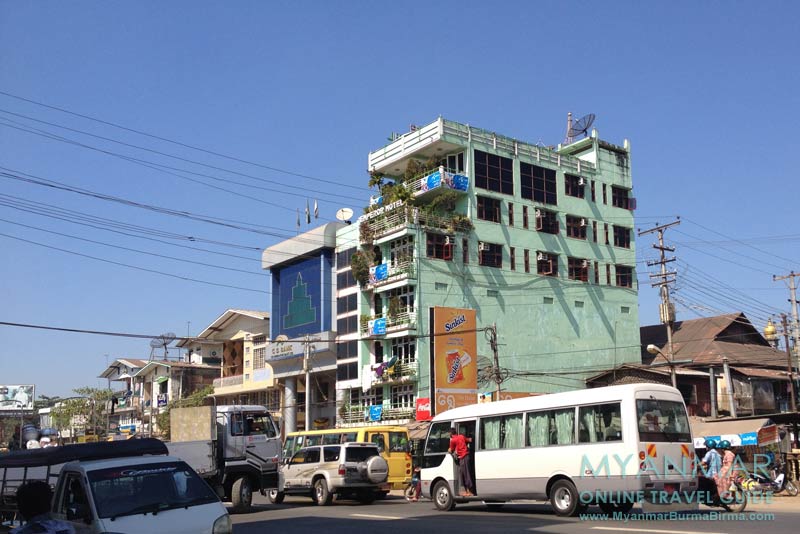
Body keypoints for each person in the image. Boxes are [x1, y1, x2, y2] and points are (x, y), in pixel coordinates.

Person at [448, 427, 474, 497]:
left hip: (463, 457)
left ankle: (469, 491)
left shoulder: (453, 440)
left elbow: (451, 450)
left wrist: (449, 450)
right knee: (463, 474)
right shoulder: (461, 436)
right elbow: (469, 440)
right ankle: (465, 491)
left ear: (451, 434)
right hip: (466, 457)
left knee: (465, 474)